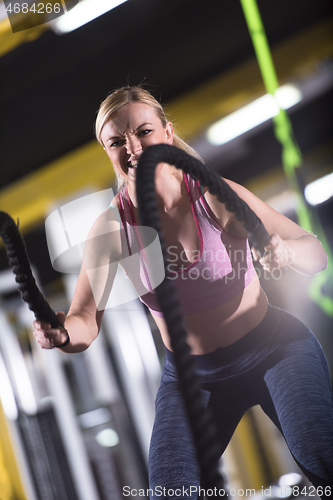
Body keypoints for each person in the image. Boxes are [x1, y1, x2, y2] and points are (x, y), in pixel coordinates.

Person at [33, 86, 333, 497]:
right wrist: (61, 334)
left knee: (321, 457)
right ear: (106, 150)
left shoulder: (213, 196)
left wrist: (285, 251)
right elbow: (84, 321)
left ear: (168, 134)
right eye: (117, 141)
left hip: (276, 350)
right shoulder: (112, 230)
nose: (133, 148)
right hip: (194, 378)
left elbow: (315, 254)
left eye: (144, 132)